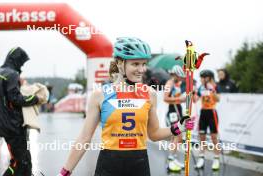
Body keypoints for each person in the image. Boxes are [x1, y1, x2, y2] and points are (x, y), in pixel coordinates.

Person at [58, 37, 194, 176]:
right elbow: (84, 139)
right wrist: (64, 172)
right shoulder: (100, 94)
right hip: (108, 165)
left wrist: (178, 127)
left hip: (139, 165)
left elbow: (154, 134)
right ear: (119, 63)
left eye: (143, 64)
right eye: (135, 64)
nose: (141, 69)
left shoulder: (149, 93)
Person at [0, 47, 43, 176]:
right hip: (13, 126)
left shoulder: (1, 72)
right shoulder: (12, 74)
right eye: (22, 62)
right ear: (16, 60)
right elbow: (16, 98)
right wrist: (35, 98)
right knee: (19, 162)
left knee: (25, 159)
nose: (22, 65)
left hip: (4, 125)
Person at [194, 70, 221, 170]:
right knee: (202, 138)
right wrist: (193, 91)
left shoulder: (215, 86)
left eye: (202, 77)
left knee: (214, 137)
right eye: (200, 77)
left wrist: (212, 90)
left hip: (212, 112)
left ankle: (216, 159)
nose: (200, 79)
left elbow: (218, 99)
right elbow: (195, 99)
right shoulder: (200, 87)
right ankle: (201, 158)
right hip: (203, 113)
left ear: (208, 78)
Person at [163, 65, 186, 172]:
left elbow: (177, 98)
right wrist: (179, 98)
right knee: (177, 135)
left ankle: (173, 158)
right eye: (180, 77)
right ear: (175, 75)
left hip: (178, 109)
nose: (181, 79)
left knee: (177, 137)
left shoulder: (176, 83)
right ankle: (171, 159)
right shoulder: (169, 83)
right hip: (172, 111)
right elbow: (165, 98)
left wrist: (182, 99)